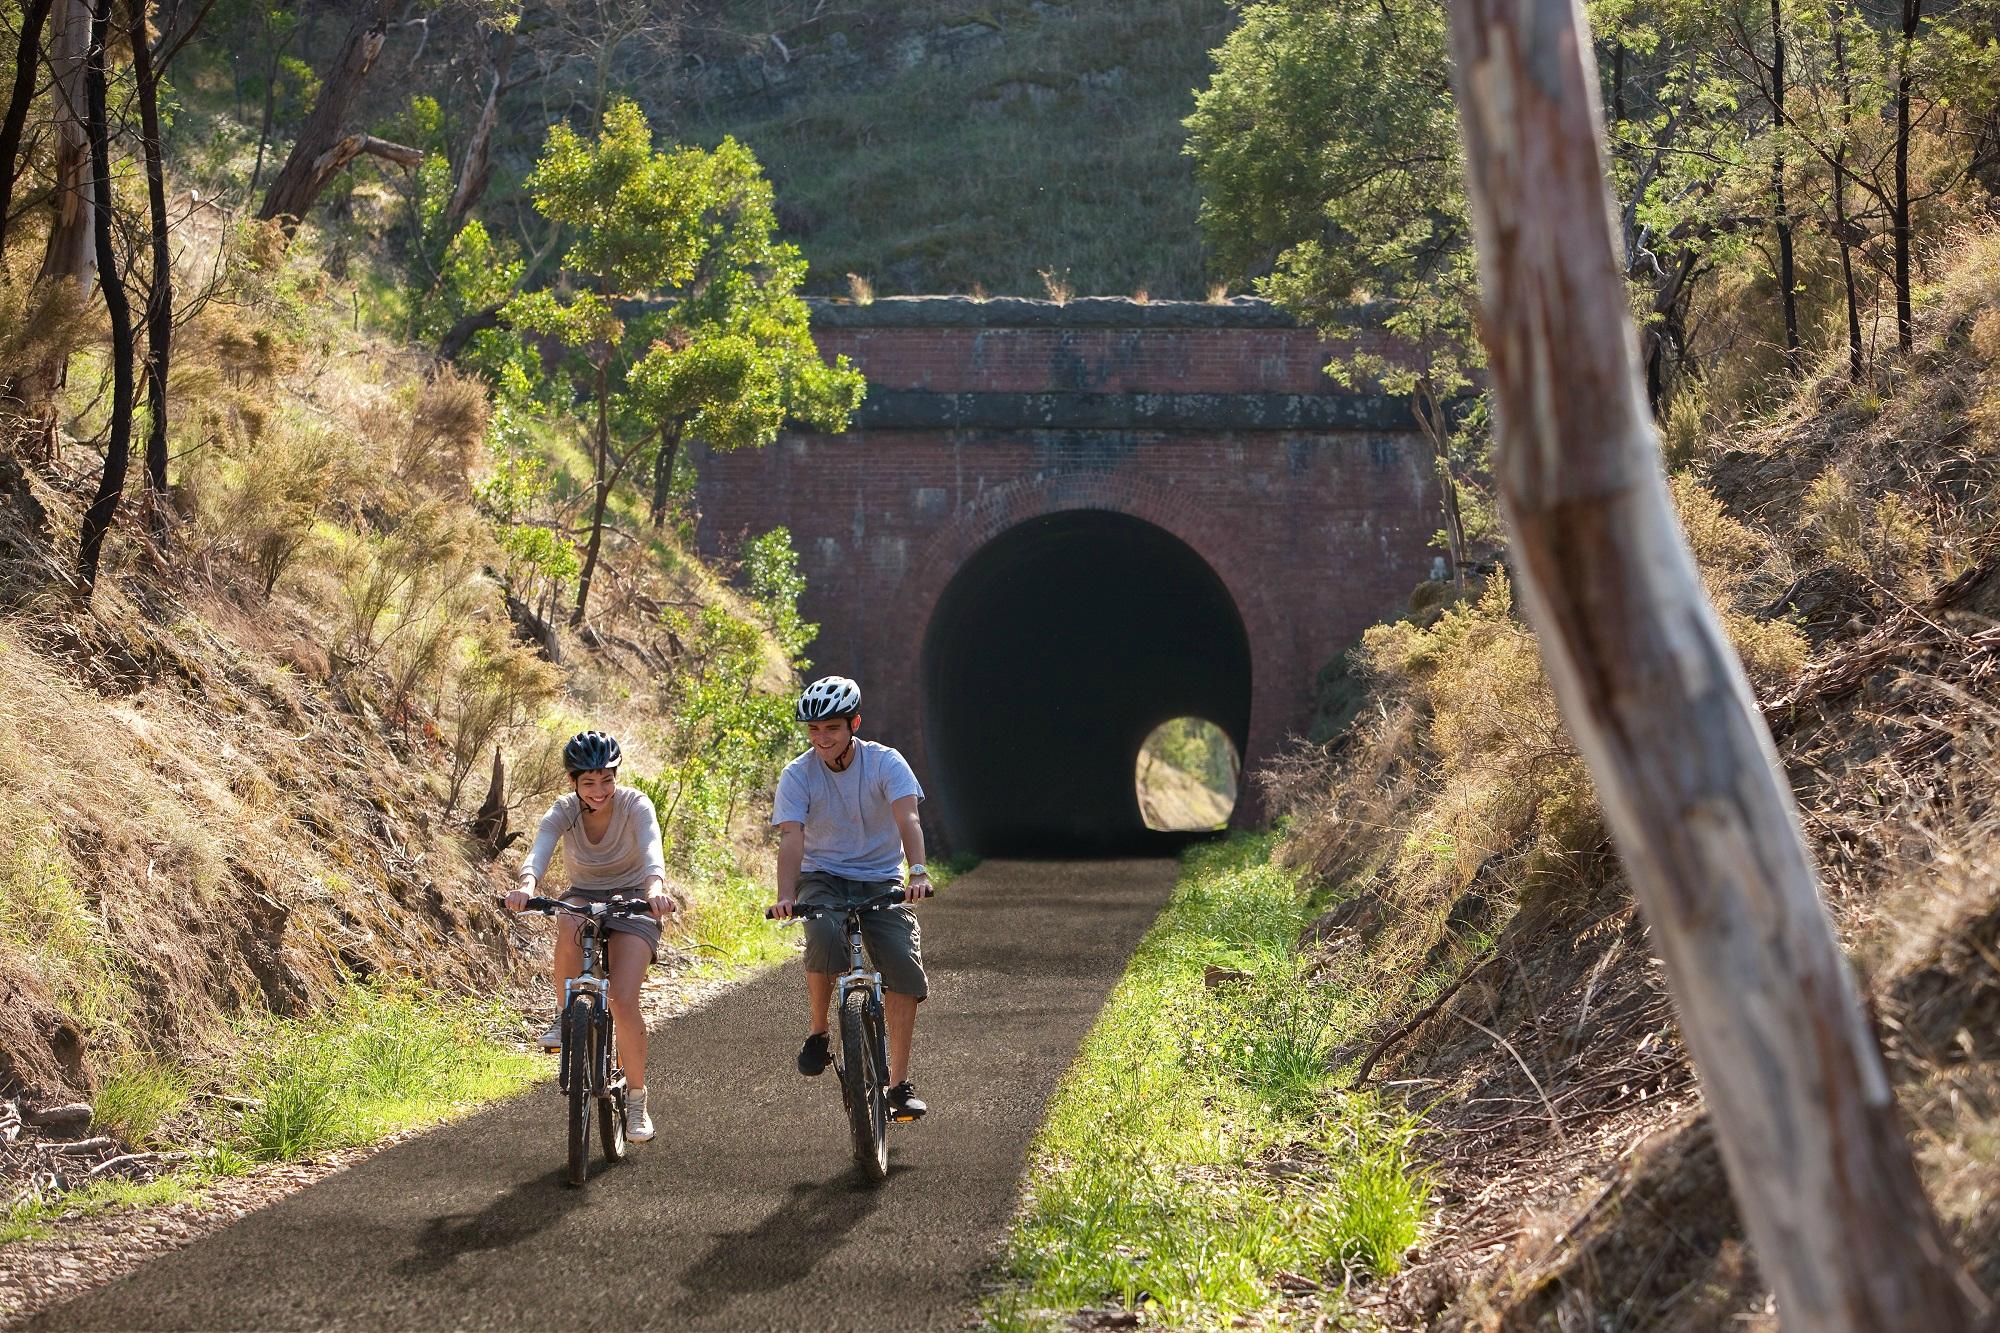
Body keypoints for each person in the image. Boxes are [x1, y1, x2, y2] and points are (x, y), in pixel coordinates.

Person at [768, 676, 933, 1121]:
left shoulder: (886, 763)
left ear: (854, 724)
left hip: (880, 878)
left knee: (900, 963)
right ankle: (819, 1033)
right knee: (822, 933)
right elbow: (791, 838)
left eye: (832, 729)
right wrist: (786, 895)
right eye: (814, 730)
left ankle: (898, 1084)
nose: (822, 739)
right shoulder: (798, 774)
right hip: (822, 876)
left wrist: (916, 870)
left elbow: (909, 819)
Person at [507, 731, 677, 1143]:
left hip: (636, 898)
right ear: (573, 782)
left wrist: (655, 888)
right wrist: (527, 885)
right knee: (567, 921)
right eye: (588, 782)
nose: (599, 791)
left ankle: (636, 1100)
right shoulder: (564, 810)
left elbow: (652, 846)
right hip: (584, 895)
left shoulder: (634, 803)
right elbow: (540, 848)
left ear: (616, 776)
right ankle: (567, 1015)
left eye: (606, 779)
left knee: (621, 998)